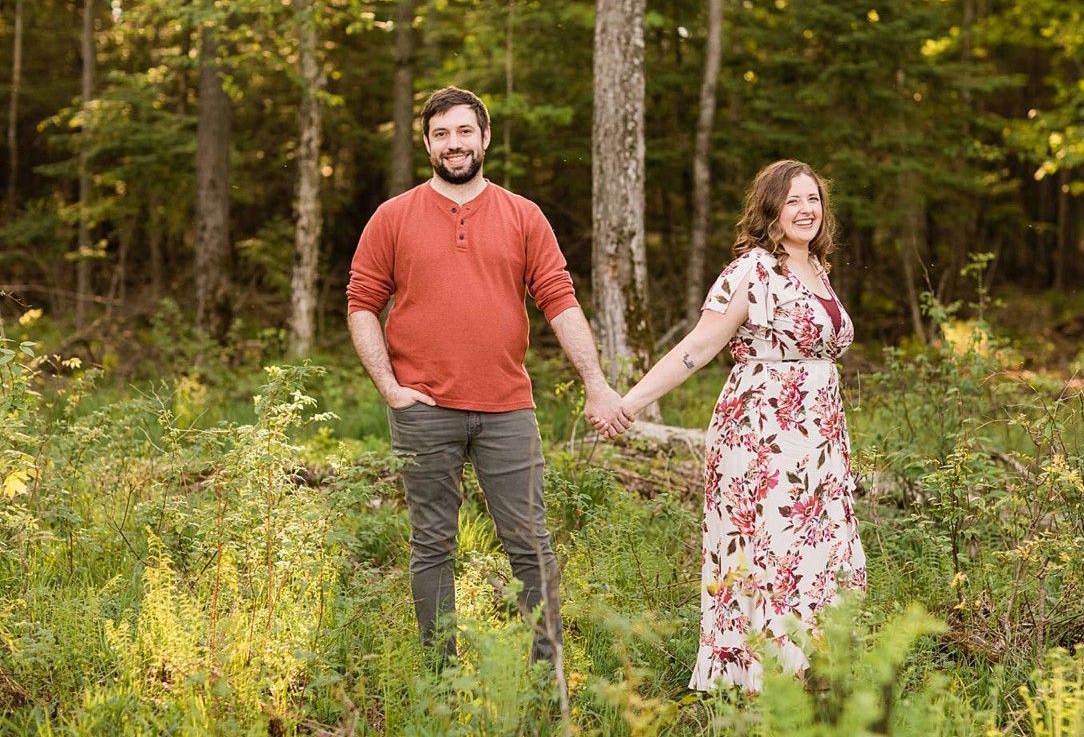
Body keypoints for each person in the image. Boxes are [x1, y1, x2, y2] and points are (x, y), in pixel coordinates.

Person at [346, 86, 630, 665]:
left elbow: (560, 299)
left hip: (508, 409)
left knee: (530, 544)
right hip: (423, 410)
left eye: (464, 132)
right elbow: (361, 304)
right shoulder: (392, 217)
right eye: (442, 134)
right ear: (427, 143)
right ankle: (439, 676)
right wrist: (391, 389)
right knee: (432, 545)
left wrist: (596, 383)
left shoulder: (523, 215)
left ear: (485, 138)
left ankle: (546, 677)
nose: (455, 144)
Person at [612, 159, 866, 692]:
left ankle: (810, 671)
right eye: (793, 200)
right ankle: (754, 679)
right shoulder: (751, 272)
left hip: (817, 438)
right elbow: (698, 347)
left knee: (815, 551)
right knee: (769, 549)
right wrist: (631, 403)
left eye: (813, 199)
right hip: (762, 436)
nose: (806, 209)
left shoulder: (818, 270)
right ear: (770, 209)